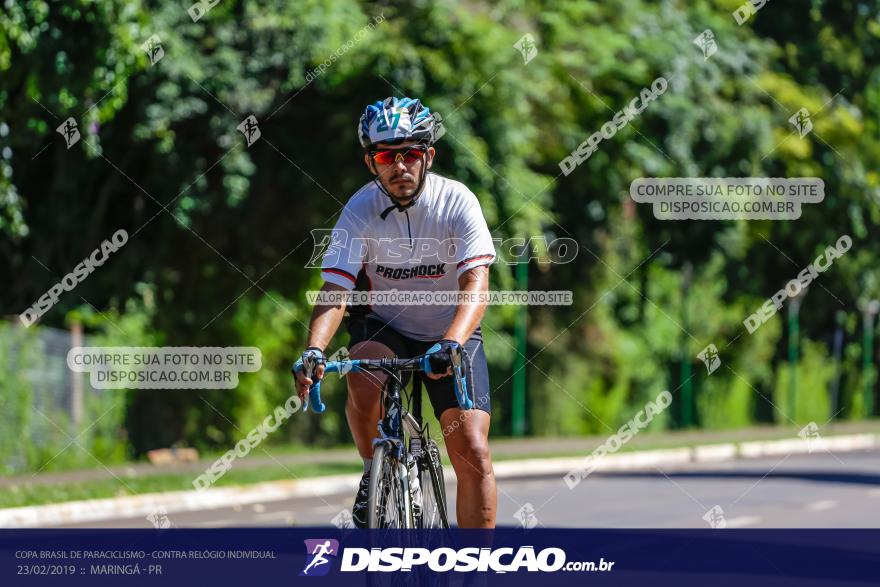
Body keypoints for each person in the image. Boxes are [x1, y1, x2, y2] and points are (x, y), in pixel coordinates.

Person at [293, 97, 497, 528]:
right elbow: (336, 288)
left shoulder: (457, 201)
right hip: (385, 324)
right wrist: (314, 349)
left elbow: (476, 284)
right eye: (387, 156)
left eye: (411, 154)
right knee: (361, 382)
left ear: (429, 157)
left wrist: (452, 343)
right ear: (372, 163)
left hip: (450, 331)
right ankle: (375, 469)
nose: (399, 166)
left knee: (473, 450)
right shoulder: (359, 209)